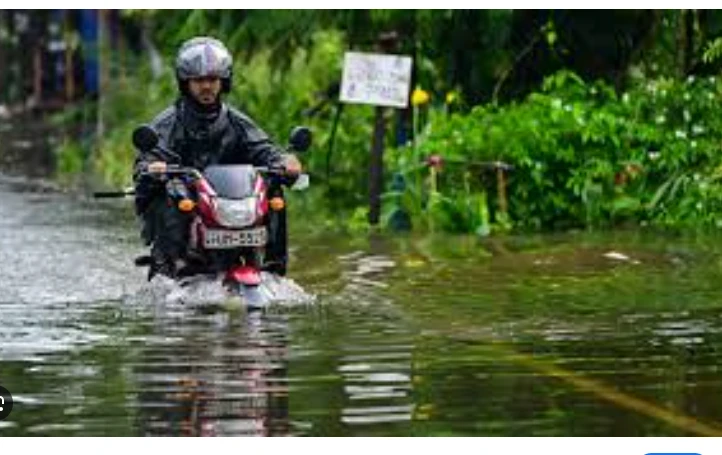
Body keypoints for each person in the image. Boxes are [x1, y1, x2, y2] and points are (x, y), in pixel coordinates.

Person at [133, 36, 302, 278]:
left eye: (212, 79)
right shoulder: (167, 124)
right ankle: (167, 270)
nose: (206, 86)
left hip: (231, 198)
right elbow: (147, 158)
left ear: (223, 81)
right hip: (190, 200)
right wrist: (153, 166)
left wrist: (285, 162)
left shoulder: (236, 121)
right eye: (199, 80)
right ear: (185, 82)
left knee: (274, 190)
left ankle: (273, 268)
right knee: (171, 194)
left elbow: (264, 149)